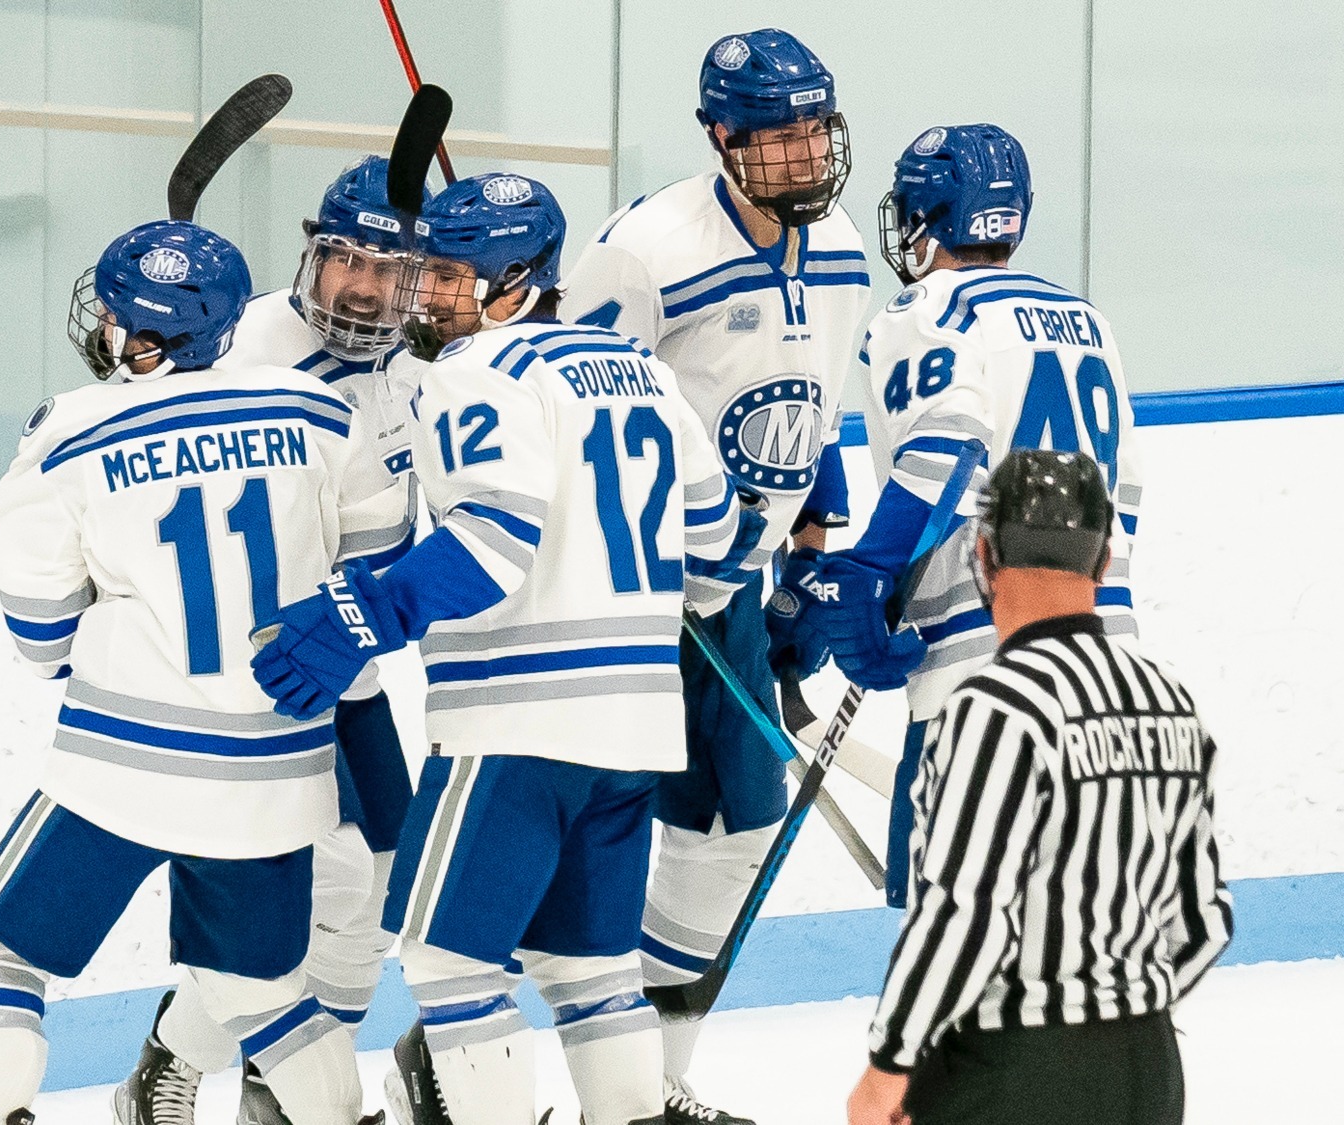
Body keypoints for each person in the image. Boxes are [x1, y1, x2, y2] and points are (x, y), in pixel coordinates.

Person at [251, 171, 769, 1125]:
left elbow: (491, 544)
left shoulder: (471, 373)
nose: (426, 298)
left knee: (448, 965)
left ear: (518, 282)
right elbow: (723, 540)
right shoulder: (641, 370)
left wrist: (366, 613)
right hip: (635, 730)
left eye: (452, 279)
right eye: (428, 274)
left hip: (515, 726)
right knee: (592, 971)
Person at [0, 219, 372, 1125]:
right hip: (277, 765)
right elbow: (378, 558)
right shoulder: (320, 412)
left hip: (123, 763)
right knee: (263, 994)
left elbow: (40, 634)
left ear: (138, 336)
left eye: (115, 314)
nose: (104, 324)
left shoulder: (68, 432)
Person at [557, 29, 871, 1123]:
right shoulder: (644, 252)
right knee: (568, 836)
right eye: (779, 136)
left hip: (731, 588)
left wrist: (811, 552)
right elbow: (568, 406)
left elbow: (813, 401)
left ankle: (650, 1085)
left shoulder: (841, 248)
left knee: (734, 831)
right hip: (623, 595)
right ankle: (454, 1059)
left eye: (815, 130)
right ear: (719, 138)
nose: (805, 154)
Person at [118, 155, 425, 1125]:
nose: (361, 286)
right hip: (255, 675)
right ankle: (175, 1066)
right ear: (311, 254)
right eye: (344, 259)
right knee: (316, 885)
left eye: (387, 269)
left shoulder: (422, 368)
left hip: (351, 675)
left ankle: (274, 1092)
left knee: (380, 890)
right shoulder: (245, 342)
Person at [800, 123, 1147, 906]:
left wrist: (870, 572)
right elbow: (1125, 495)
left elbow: (944, 449)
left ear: (932, 216)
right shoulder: (1087, 322)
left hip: (981, 676)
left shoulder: (930, 311)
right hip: (1107, 671)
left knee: (956, 938)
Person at [846, 448, 1233, 1125]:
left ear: (984, 556)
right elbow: (1204, 921)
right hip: (1150, 1070)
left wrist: (890, 1062)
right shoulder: (1170, 701)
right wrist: (1126, 1007)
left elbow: (965, 912)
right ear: (1103, 562)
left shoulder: (995, 708)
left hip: (1012, 1070)